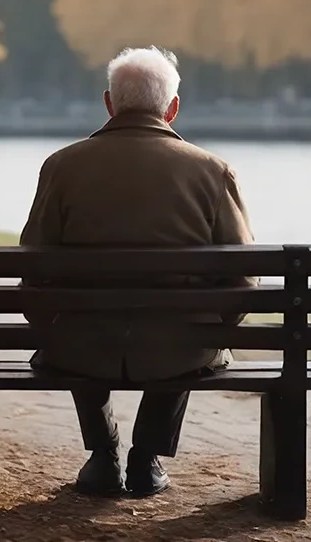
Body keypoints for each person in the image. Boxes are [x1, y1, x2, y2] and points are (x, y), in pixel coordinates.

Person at [20, 46, 255, 499]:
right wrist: (216, 328)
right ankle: (145, 458)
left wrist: (47, 322)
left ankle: (104, 455)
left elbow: (33, 262)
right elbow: (244, 278)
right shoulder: (212, 172)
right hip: (177, 350)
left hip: (81, 346)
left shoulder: (62, 166)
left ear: (109, 104)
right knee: (192, 332)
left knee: (71, 327)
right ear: (172, 108)